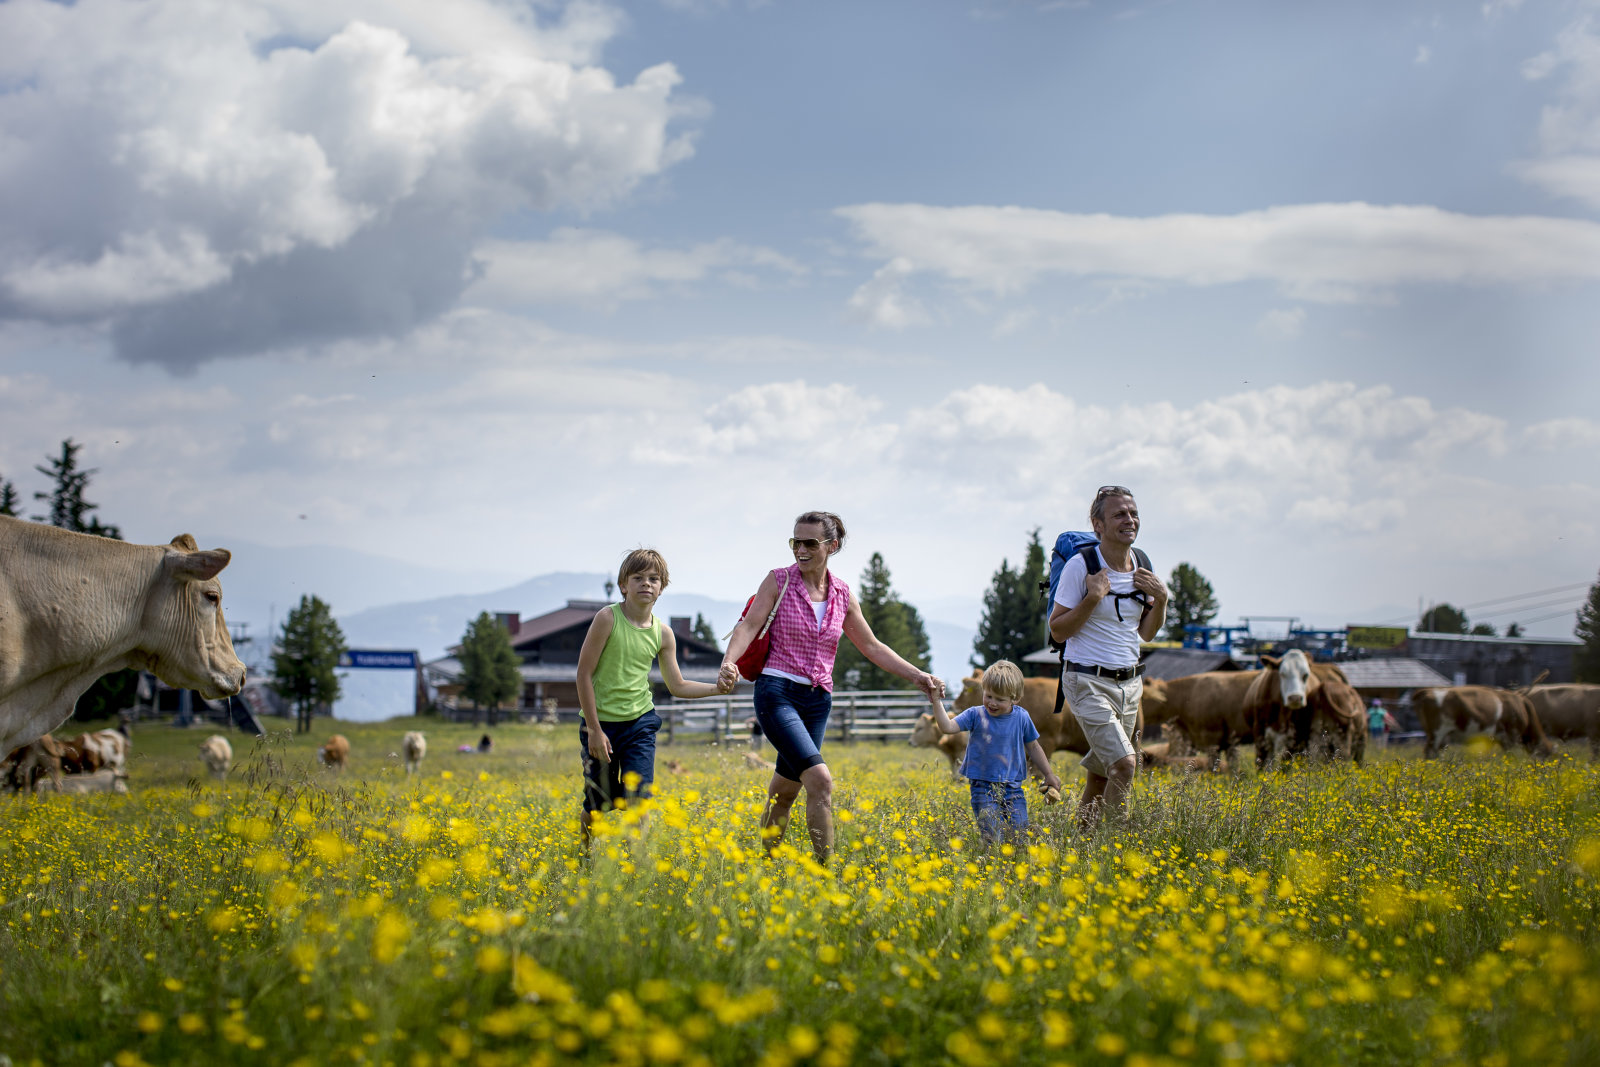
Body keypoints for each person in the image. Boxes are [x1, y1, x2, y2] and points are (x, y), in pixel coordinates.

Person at [719, 511, 943, 865]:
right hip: (776, 693)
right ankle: (828, 874)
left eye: (810, 543)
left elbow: (872, 646)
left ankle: (765, 868)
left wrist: (918, 675)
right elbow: (748, 626)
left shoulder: (841, 594)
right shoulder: (778, 581)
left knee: (785, 791)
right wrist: (729, 661)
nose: (801, 550)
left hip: (818, 701)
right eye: (796, 542)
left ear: (832, 546)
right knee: (820, 781)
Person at [576, 548, 733, 847]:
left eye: (653, 579)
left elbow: (678, 685)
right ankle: (584, 858)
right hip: (600, 724)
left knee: (640, 797)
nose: (646, 584)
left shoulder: (663, 633)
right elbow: (583, 674)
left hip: (640, 724)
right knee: (598, 802)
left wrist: (717, 688)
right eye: (638, 578)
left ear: (662, 587)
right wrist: (595, 730)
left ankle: (637, 866)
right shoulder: (607, 618)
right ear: (624, 585)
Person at [1048, 486, 1168, 831]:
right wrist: (1092, 597)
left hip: (1130, 685)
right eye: (1119, 514)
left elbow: (1146, 633)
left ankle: (1081, 841)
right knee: (1125, 764)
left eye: (1133, 514)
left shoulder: (1142, 564)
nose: (1129, 520)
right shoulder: (1080, 567)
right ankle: (1113, 844)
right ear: (1097, 524)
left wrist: (1160, 599)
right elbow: (1058, 631)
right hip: (1086, 680)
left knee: (1101, 774)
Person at [924, 660, 1063, 845]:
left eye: (1000, 699)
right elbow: (947, 727)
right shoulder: (975, 714)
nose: (992, 703)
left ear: (1015, 698)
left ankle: (1015, 869)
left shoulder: (1022, 717)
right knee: (992, 837)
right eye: (988, 695)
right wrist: (936, 701)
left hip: (1013, 788)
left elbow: (1034, 747)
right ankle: (993, 866)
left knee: (1020, 836)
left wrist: (1049, 774)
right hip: (983, 787)